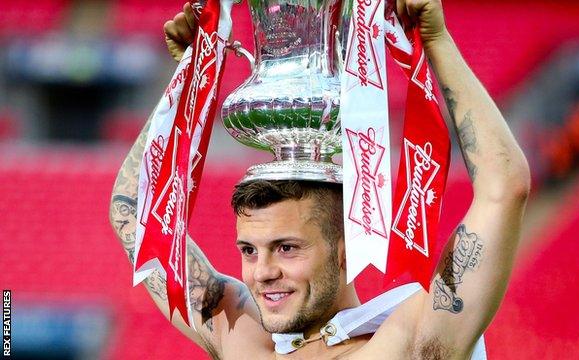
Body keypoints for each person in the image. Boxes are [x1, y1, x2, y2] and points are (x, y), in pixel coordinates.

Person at [109, 1, 530, 358]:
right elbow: (134, 207)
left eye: (287, 248)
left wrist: (436, 43)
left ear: (347, 247)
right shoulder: (242, 337)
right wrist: (193, 73)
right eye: (249, 251)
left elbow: (503, 188)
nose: (262, 273)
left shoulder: (404, 343)